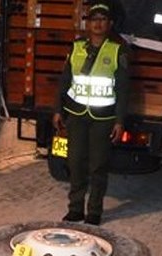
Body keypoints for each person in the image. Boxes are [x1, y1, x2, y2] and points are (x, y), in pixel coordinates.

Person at [53, 2, 129, 225]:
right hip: (76, 115)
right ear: (87, 23)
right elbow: (65, 81)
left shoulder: (117, 50)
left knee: (97, 165)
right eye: (93, 19)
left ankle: (94, 211)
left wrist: (119, 121)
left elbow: (123, 89)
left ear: (110, 24)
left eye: (102, 19)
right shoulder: (76, 48)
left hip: (103, 118)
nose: (98, 23)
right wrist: (57, 110)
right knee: (75, 162)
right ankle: (75, 208)